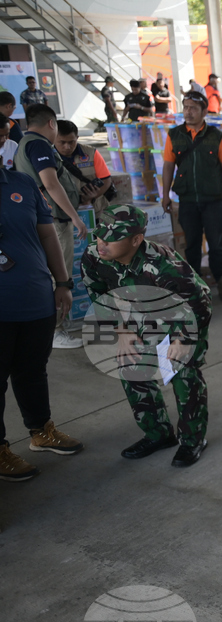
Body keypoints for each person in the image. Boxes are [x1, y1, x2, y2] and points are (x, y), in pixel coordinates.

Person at [81, 205, 212, 468]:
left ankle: (192, 440)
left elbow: (200, 303)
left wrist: (183, 341)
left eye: (110, 238)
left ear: (136, 240)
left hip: (179, 321)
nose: (101, 243)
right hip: (139, 318)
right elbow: (98, 294)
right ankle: (159, 434)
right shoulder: (94, 256)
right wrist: (121, 331)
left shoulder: (165, 265)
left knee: (182, 374)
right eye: (98, 235)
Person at [0, 163, 84, 483]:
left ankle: (41, 431)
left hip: (35, 298)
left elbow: (48, 234)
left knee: (32, 370)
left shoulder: (21, 183)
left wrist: (63, 283)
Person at [13, 104, 87, 350]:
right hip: (53, 221)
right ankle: (56, 331)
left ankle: (52, 329)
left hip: (41, 219)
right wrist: (75, 217)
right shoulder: (39, 145)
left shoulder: (24, 144)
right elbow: (51, 183)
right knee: (59, 276)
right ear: (52, 124)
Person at [160, 91, 222, 301]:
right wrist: (165, 194)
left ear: (204, 111)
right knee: (192, 244)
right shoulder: (174, 135)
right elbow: (168, 167)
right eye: (185, 107)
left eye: (193, 108)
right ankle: (195, 287)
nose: (188, 112)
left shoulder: (216, 136)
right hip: (187, 200)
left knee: (216, 243)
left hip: (213, 200)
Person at [55, 120, 113, 215]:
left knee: (103, 228)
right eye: (62, 142)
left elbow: (106, 180)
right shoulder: (48, 157)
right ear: (54, 139)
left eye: (71, 142)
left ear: (77, 138)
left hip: (96, 210)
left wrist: (93, 196)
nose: (67, 147)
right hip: (65, 213)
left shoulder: (91, 153)